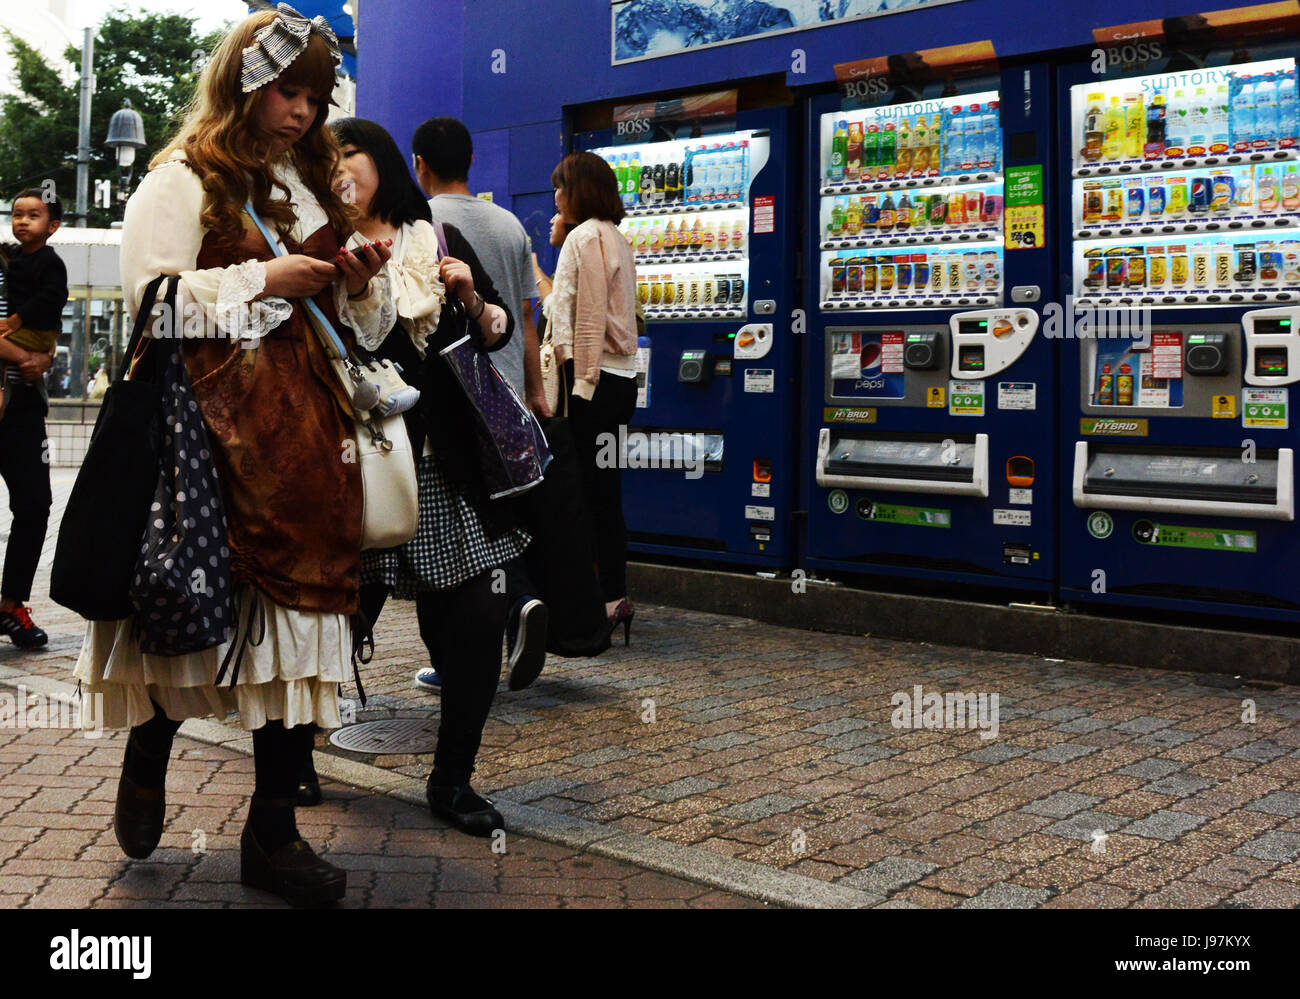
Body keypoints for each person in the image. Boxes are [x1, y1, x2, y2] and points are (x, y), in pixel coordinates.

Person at [73, 6, 394, 908]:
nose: (299, 111)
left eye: (314, 96)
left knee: (300, 634)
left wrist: (352, 285)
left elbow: (354, 330)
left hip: (306, 445)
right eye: (287, 90)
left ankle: (273, 832)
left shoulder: (308, 184)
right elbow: (154, 304)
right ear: (244, 83)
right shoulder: (180, 178)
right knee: (194, 610)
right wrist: (265, 277)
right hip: (209, 444)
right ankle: (148, 754)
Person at [333, 116, 527, 836]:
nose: (338, 166)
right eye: (327, 159)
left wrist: (472, 296)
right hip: (356, 461)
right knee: (335, 614)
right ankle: (289, 755)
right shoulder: (320, 246)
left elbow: (497, 327)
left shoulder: (434, 237)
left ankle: (452, 779)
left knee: (478, 612)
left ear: (384, 159)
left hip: (442, 463)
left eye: (347, 152)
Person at [410, 115, 548, 693]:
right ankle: (517, 604)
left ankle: (480, 636)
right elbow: (527, 313)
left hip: (460, 400)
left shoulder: (424, 223)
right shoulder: (511, 223)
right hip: (507, 390)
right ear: (471, 162)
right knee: (502, 517)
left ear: (420, 164)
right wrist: (537, 390)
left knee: (460, 525)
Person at [548, 151, 639, 644]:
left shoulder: (583, 237)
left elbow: (581, 318)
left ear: (577, 191)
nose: (555, 197)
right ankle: (613, 598)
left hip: (593, 380)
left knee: (580, 494)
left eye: (561, 187)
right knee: (607, 492)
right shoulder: (616, 237)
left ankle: (592, 604)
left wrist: (578, 384)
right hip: (621, 380)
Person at [0, 191, 61, 649]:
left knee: (36, 504)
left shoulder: (40, 264)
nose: (22, 222)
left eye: (32, 215)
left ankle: (11, 605)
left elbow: (50, 316)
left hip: (23, 404)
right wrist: (28, 355)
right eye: (17, 215)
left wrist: (45, 356)